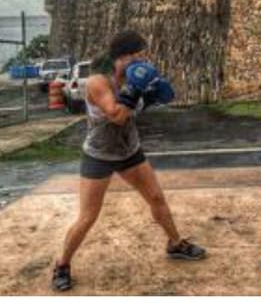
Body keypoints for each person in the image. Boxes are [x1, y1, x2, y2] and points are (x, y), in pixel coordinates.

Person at [52, 30, 204, 291]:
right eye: (138, 55)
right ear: (123, 56)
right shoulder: (98, 82)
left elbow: (141, 106)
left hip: (129, 151)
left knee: (156, 198)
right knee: (88, 216)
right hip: (99, 154)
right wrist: (136, 89)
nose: (143, 60)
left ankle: (175, 244)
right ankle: (62, 265)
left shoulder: (135, 77)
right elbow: (117, 115)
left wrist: (153, 95)